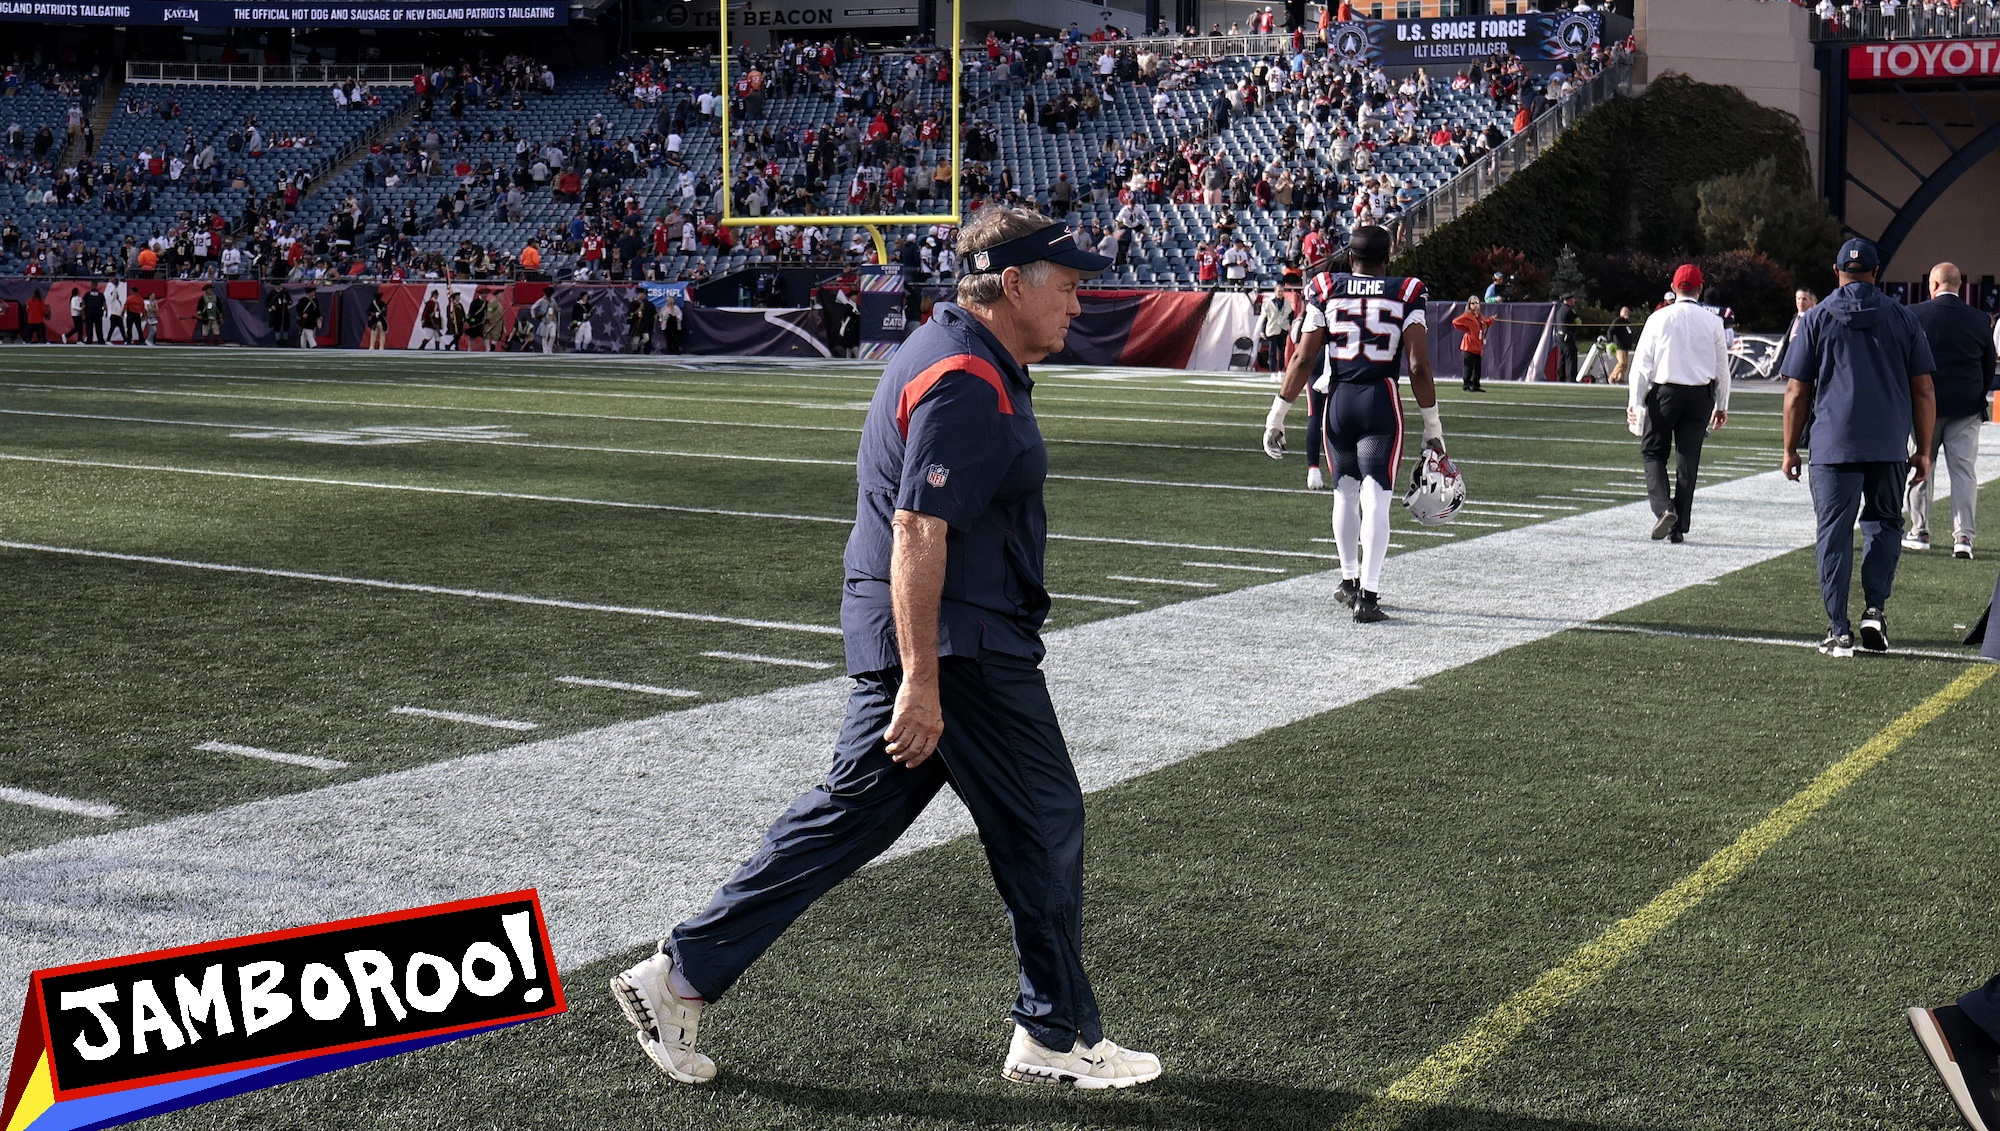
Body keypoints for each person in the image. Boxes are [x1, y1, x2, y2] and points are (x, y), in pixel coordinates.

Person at [610, 205, 1163, 1091]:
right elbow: (916, 528)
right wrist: (920, 678)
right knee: (1044, 819)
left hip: (942, 631)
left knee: (850, 815)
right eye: (1068, 284)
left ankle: (678, 975)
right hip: (957, 640)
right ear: (1012, 284)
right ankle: (1053, 1032)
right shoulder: (962, 376)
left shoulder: (964, 356)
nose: (1080, 301)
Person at [1262, 225, 1447, 622]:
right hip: (1379, 399)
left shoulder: (1327, 286)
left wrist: (1277, 414)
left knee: (1343, 493)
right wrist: (1432, 426)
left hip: (1339, 401)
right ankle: (1369, 595)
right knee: (1376, 498)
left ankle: (1348, 582)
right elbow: (1416, 364)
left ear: (1351, 255)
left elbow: (1302, 359)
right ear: (1389, 255)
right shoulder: (1407, 290)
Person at [1779, 238, 1937, 657]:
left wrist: (1790, 449)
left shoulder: (1814, 319)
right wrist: (1922, 450)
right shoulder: (1904, 318)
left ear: (1836, 272)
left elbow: (1797, 391)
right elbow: (1923, 390)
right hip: (1887, 442)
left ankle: (1838, 627)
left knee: (1833, 532)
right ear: (1876, 271)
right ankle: (1873, 609)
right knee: (1884, 524)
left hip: (1833, 444)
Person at [1627, 264, 1730, 544]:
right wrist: (1722, 404)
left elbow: (1641, 364)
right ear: (1700, 288)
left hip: (1666, 393)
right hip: (1700, 396)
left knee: (1652, 453)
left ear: (1674, 287)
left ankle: (1664, 509)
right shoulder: (1713, 321)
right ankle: (1679, 525)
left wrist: (1635, 401)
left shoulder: (1659, 318)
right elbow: (1722, 368)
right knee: (1688, 462)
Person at [1903, 261, 1996, 559]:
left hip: (1923, 406)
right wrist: (1974, 396)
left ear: (1932, 285)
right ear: (1960, 285)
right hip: (1966, 408)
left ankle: (1920, 530)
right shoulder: (1980, 319)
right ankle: (1964, 537)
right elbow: (1986, 367)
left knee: (1920, 467)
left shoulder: (1914, 314)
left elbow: (1905, 362)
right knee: (1964, 473)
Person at [1452, 296, 1495, 392]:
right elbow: (1455, 322)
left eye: (1477, 303)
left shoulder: (1480, 316)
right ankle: (1466, 385)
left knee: (1477, 368)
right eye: (1473, 303)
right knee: (1468, 367)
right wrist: (1466, 329)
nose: (1475, 305)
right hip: (1469, 345)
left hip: (1477, 346)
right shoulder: (1467, 315)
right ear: (1469, 305)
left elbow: (1484, 324)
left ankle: (1475, 385)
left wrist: (1490, 320)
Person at [1258, 285, 1292, 375]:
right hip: (1272, 329)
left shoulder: (1288, 303)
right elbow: (1265, 318)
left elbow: (1291, 315)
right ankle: (1273, 372)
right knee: (1272, 352)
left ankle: (1281, 370)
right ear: (1275, 292)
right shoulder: (1269, 303)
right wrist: (1262, 330)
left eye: (1282, 291)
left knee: (1282, 351)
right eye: (1278, 291)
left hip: (1283, 329)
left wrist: (1289, 324)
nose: (1280, 293)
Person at [1554, 292, 1580, 382]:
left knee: (1562, 358)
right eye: (1573, 299)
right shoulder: (1569, 310)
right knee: (1571, 358)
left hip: (1559, 336)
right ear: (1569, 300)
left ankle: (1561, 378)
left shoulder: (1559, 310)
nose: (1574, 301)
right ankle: (1572, 379)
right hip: (1567, 336)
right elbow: (1579, 322)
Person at [1609, 306, 1638, 384]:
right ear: (1621, 313)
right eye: (1625, 312)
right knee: (1622, 363)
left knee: (1625, 365)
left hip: (1626, 346)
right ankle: (1612, 376)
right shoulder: (1618, 321)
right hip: (1619, 346)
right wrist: (1611, 342)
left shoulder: (1627, 322)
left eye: (1628, 312)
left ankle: (1621, 378)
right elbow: (1611, 331)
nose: (1627, 313)